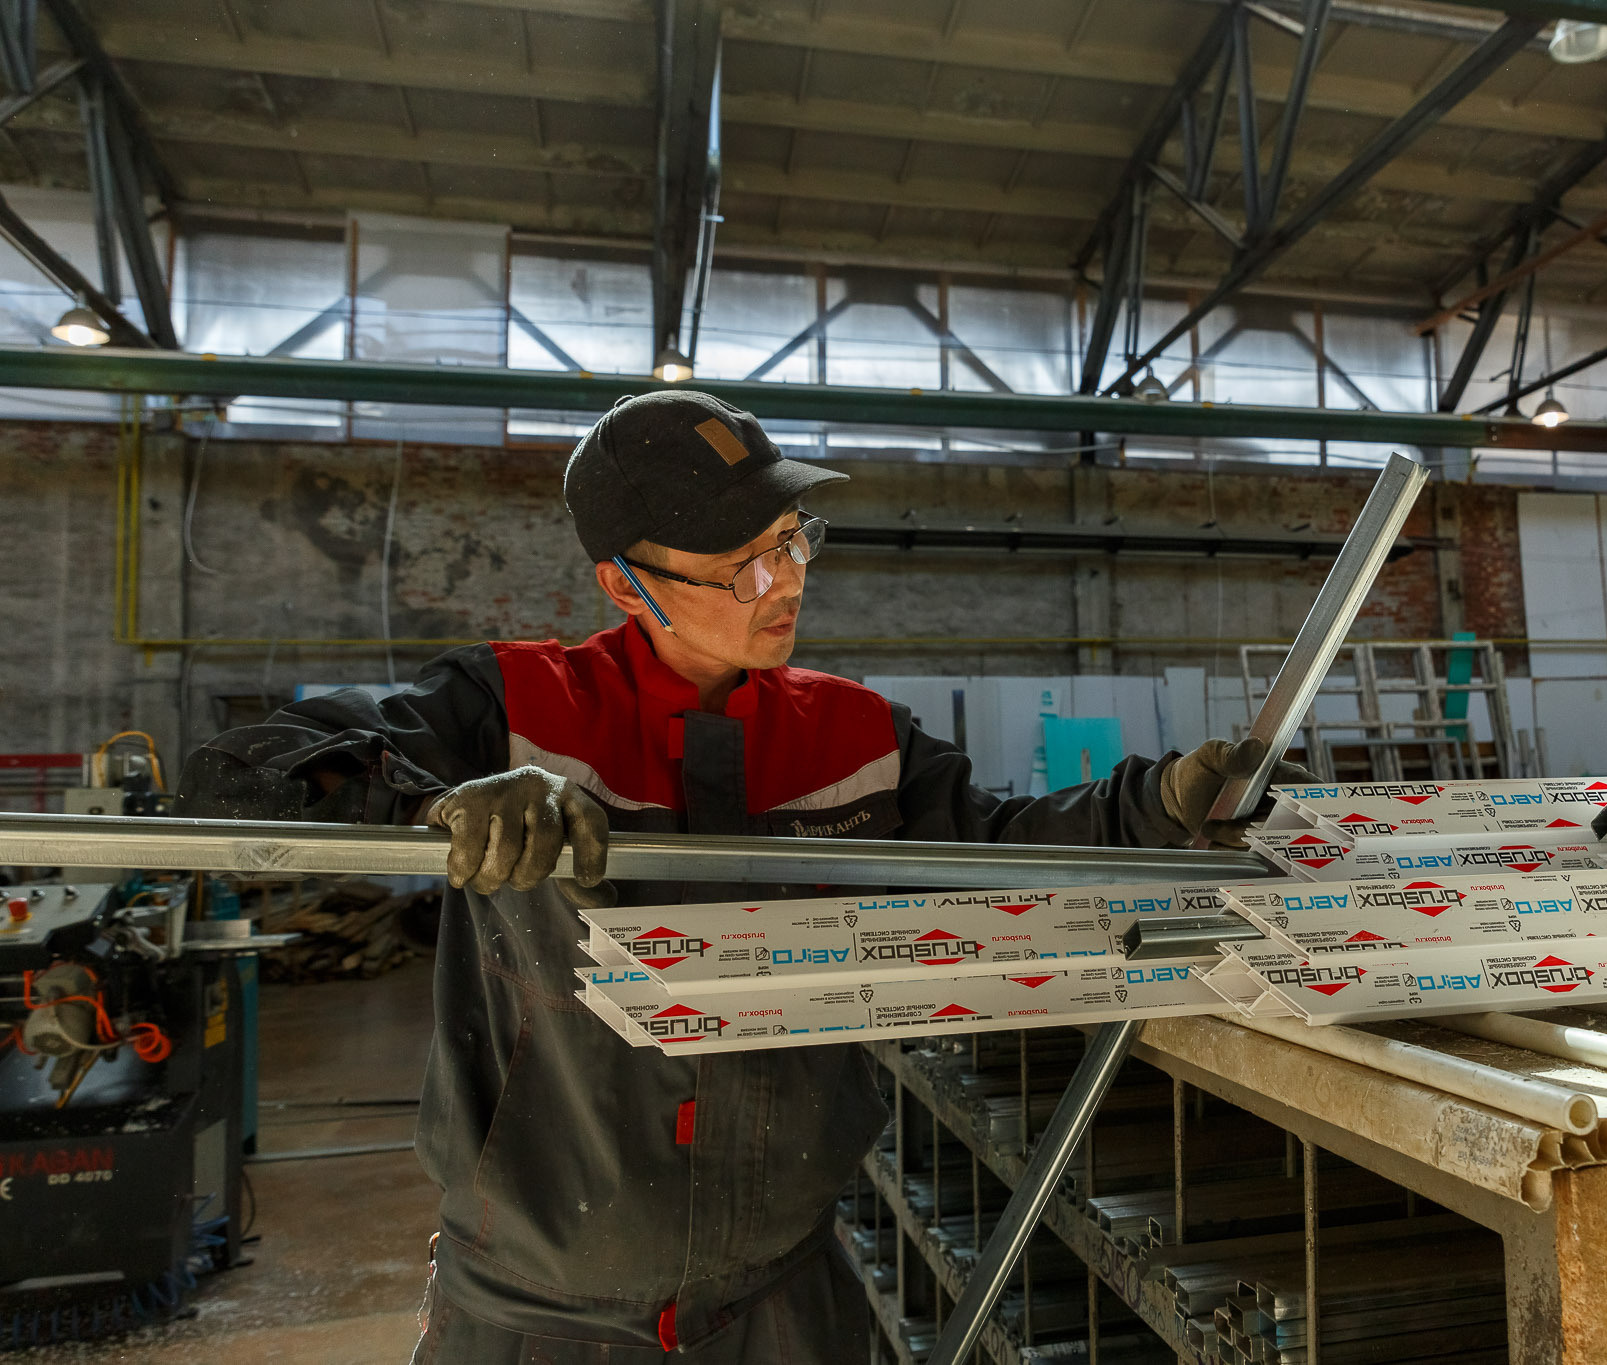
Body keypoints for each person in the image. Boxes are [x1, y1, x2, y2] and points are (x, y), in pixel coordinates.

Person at [179, 390, 1305, 1364]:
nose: (784, 580)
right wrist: (440, 800)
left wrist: (1154, 803)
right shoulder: (513, 710)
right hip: (534, 1306)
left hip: (788, 1287)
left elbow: (999, 846)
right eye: (740, 565)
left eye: (793, 536)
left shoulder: (855, 734)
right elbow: (247, 773)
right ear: (626, 587)